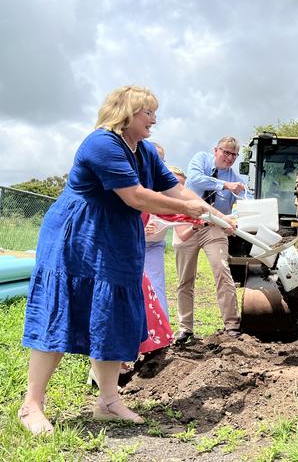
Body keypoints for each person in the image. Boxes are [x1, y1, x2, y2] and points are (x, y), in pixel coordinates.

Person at [19, 86, 235, 436]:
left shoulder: (146, 151)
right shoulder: (101, 144)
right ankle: (32, 404)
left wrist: (213, 213)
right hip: (77, 238)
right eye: (147, 112)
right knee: (63, 313)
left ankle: (107, 401)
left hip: (117, 242)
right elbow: (135, 196)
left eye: (154, 112)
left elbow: (175, 189)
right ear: (125, 112)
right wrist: (188, 209)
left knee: (113, 316)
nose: (154, 118)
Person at [174, 137, 248, 343]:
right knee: (184, 279)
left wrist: (239, 215)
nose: (230, 158)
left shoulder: (236, 178)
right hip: (187, 224)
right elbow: (195, 180)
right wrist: (225, 185)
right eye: (226, 152)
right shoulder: (201, 160)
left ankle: (232, 325)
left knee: (222, 271)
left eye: (234, 155)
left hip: (213, 228)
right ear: (216, 150)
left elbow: (244, 203)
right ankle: (185, 328)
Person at [143, 141, 170, 317]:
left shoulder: (163, 187)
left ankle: (160, 333)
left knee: (155, 286)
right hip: (129, 245)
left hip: (152, 246)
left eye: (162, 160)